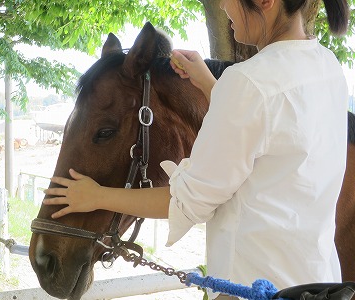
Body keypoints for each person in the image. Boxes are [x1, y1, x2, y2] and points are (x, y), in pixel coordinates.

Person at [43, 0, 350, 299]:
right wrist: (209, 84)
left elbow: (186, 203)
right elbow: (270, 130)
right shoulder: (327, 65)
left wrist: (94, 196)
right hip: (318, 282)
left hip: (254, 286)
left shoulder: (247, 83)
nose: (222, 7)